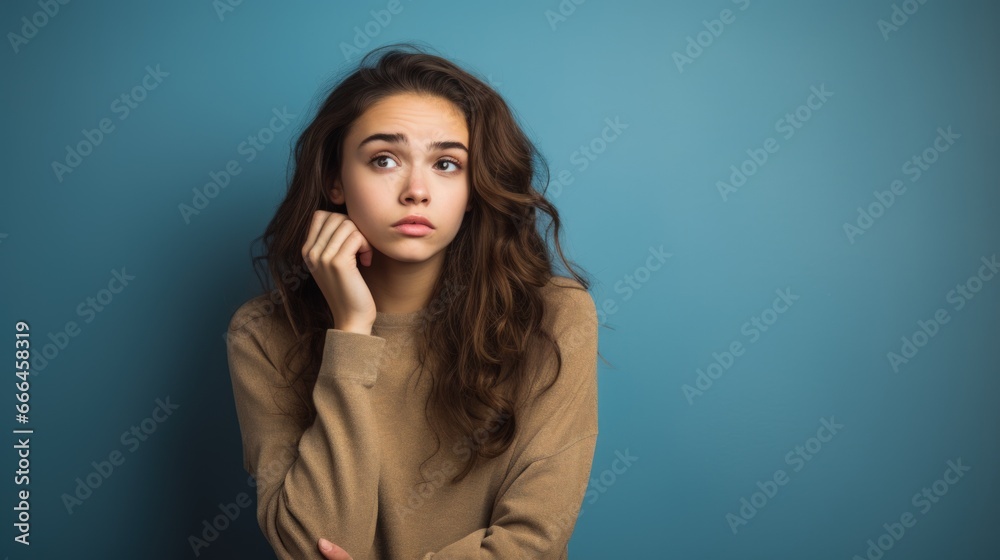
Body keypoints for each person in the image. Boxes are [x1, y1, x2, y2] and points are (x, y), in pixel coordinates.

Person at [226, 42, 603, 560]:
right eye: (384, 159)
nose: (417, 190)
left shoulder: (553, 316)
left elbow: (534, 539)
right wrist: (353, 331)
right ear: (336, 180)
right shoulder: (263, 334)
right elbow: (312, 545)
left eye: (447, 164)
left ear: (475, 185)